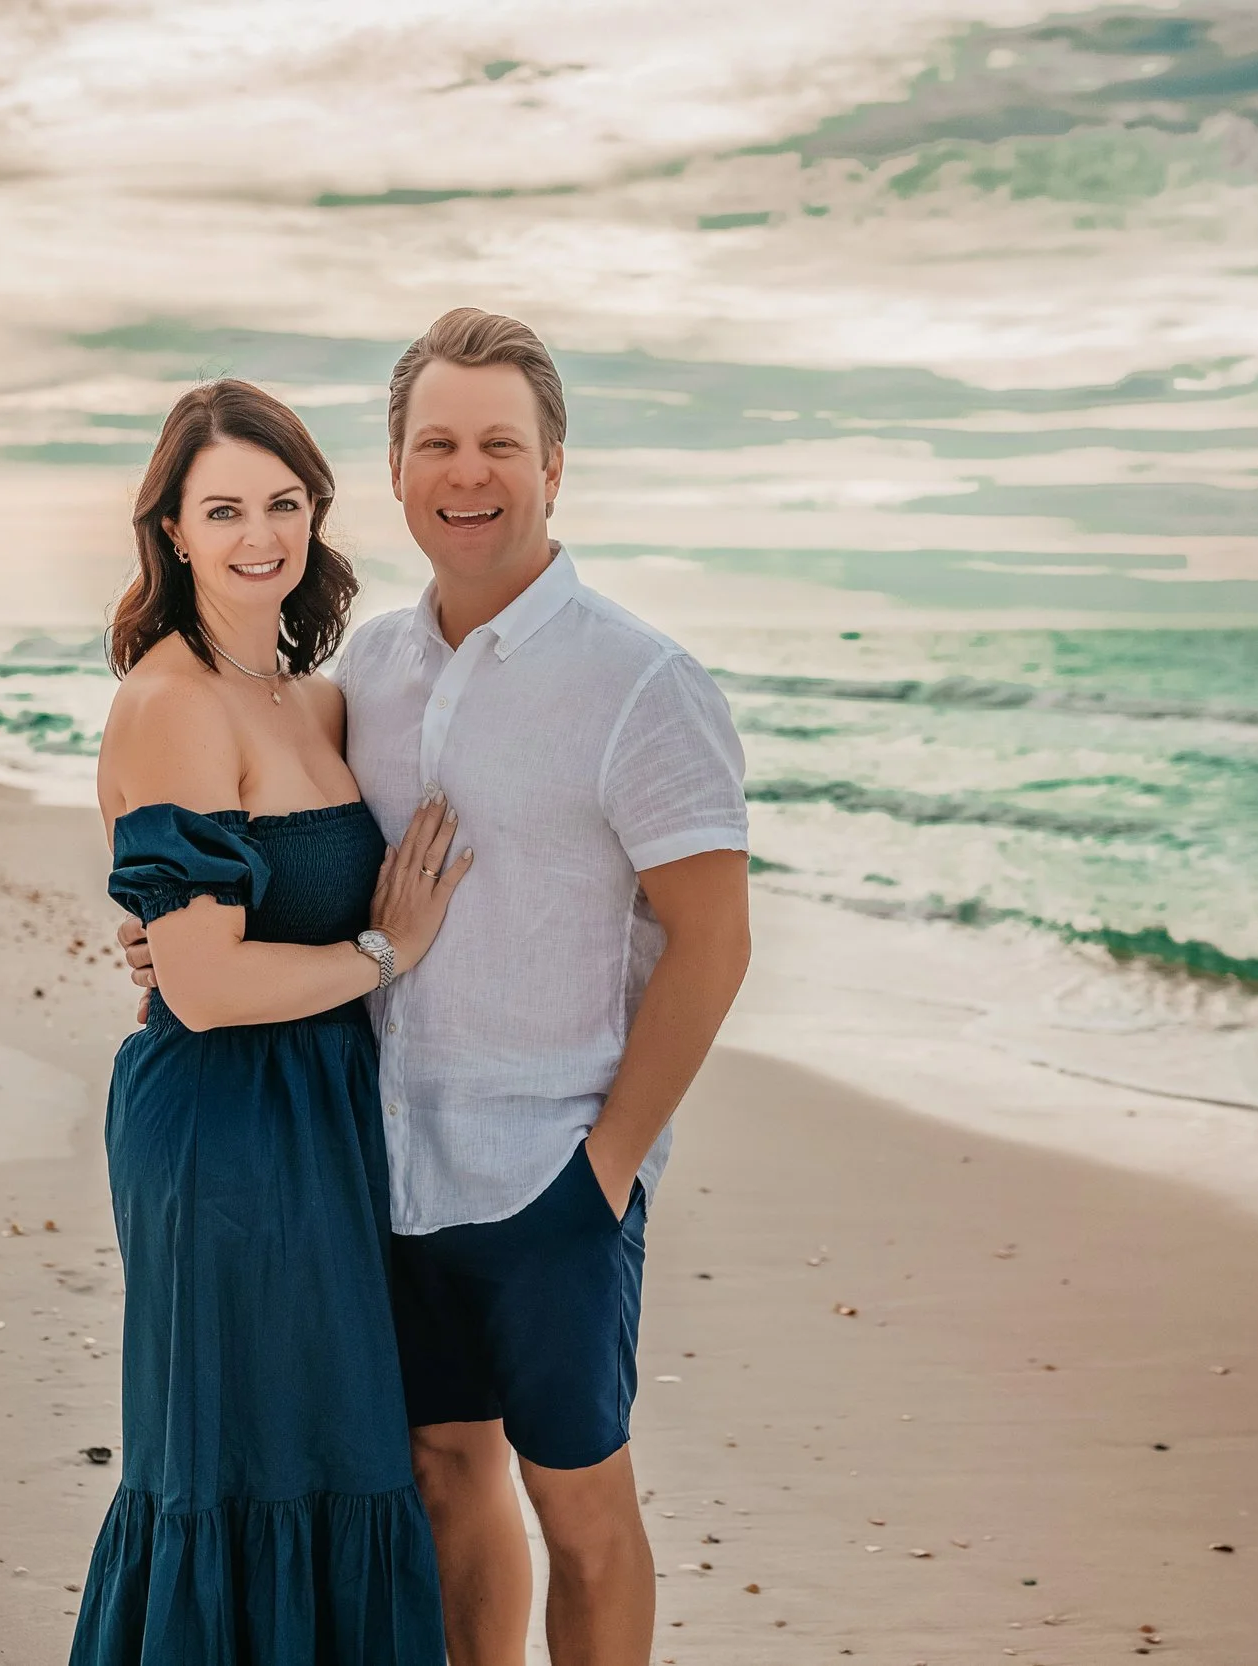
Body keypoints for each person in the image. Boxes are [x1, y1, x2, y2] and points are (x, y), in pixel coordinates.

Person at [124, 309, 754, 1664]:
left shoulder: (643, 682)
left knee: (582, 1508)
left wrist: (610, 1165)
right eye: (439, 445)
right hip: (382, 1167)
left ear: (553, 467)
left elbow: (714, 942)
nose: (469, 474)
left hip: (550, 1172)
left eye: (500, 445)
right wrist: (172, 941)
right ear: (398, 471)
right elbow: (278, 848)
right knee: (441, 1477)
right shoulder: (368, 675)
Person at [71, 378, 464, 1664]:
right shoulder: (172, 701)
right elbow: (203, 988)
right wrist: (386, 950)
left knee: (332, 1448)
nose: (260, 535)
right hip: (225, 1131)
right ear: (172, 530)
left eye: (284, 503)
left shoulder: (314, 698)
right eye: (225, 508)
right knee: (237, 1462)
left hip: (325, 1111)